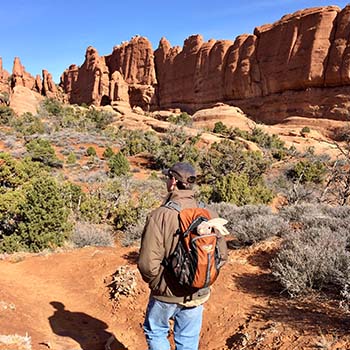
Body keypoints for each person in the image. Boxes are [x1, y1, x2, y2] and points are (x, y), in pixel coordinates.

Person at [138, 162, 228, 350]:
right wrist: (200, 279)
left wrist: (159, 284)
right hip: (198, 292)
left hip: (166, 293)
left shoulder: (161, 215)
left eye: (168, 177)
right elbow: (222, 256)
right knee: (187, 339)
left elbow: (147, 263)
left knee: (156, 332)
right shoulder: (208, 213)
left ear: (173, 182)